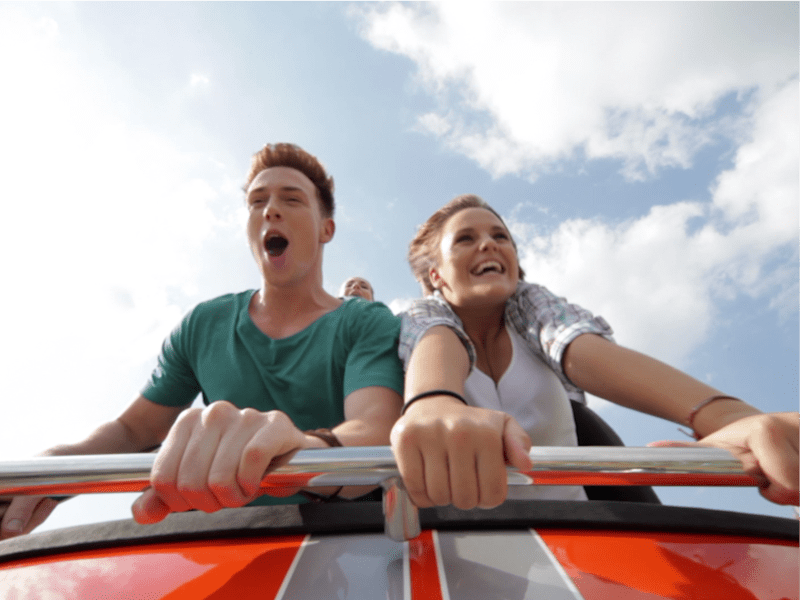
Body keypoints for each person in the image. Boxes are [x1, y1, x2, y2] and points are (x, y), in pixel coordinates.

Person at [0, 143, 404, 539]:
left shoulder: (366, 321)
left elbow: (375, 428)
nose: (270, 209)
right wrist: (45, 470)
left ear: (326, 228)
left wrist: (296, 446)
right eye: (256, 200)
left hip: (345, 542)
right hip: (217, 542)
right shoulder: (202, 324)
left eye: (292, 199)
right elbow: (132, 430)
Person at [391, 194, 799, 511]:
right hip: (455, 543)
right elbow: (432, 335)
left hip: (580, 529)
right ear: (436, 275)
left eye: (501, 237)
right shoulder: (425, 317)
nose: (489, 245)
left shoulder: (532, 307)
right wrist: (434, 403)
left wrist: (731, 417)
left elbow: (578, 345)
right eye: (466, 239)